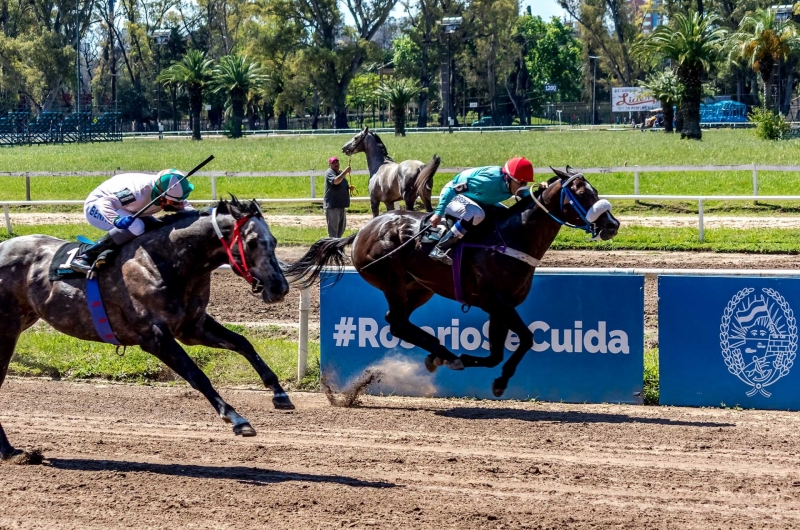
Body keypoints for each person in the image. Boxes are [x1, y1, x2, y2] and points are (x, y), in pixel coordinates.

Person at [69, 169, 195, 274]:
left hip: (127, 208)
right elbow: (103, 203)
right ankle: (87, 256)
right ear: (160, 196)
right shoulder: (136, 193)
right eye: (174, 203)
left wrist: (203, 214)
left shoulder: (169, 192)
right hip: (98, 207)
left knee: (156, 227)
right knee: (137, 227)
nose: (179, 205)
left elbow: (186, 207)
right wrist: (116, 219)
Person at [428, 157, 535, 265]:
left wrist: (543, 191)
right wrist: (438, 213)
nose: (523, 187)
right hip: (452, 195)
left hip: (476, 199)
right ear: (507, 178)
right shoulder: (487, 181)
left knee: (506, 214)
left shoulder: (513, 184)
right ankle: (440, 247)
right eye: (520, 183)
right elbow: (452, 190)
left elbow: (530, 200)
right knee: (477, 213)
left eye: (525, 183)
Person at [324, 156, 355, 238]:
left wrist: (348, 187)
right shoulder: (329, 172)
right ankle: (331, 249)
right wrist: (345, 172)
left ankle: (336, 248)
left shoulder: (339, 173)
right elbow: (336, 181)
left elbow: (340, 183)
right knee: (333, 233)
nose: (336, 164)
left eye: (337, 162)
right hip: (332, 206)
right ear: (329, 164)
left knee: (341, 230)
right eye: (333, 163)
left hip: (341, 206)